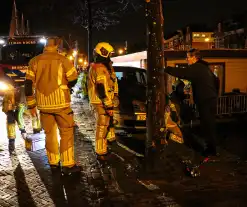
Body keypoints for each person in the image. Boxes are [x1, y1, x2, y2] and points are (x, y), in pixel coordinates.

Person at [24, 37, 81, 175]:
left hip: (43, 104)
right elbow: (73, 78)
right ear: (57, 46)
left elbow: (28, 84)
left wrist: (31, 104)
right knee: (66, 132)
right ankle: (68, 165)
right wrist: (67, 86)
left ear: (45, 46)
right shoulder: (63, 59)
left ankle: (53, 163)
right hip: (61, 103)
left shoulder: (34, 61)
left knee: (50, 134)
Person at [164, 48, 219, 157]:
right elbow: (216, 81)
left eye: (188, 57)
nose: (186, 59)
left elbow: (182, 73)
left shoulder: (197, 68)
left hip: (205, 100)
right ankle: (211, 147)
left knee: (207, 125)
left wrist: (166, 69)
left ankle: (211, 150)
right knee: (209, 124)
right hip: (211, 98)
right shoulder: (205, 68)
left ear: (195, 57)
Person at [87, 42, 119, 161]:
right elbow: (101, 88)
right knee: (102, 126)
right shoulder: (99, 68)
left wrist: (115, 95)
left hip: (104, 101)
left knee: (106, 124)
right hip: (100, 102)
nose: (110, 57)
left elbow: (112, 82)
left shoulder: (103, 67)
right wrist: (108, 104)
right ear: (104, 53)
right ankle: (101, 152)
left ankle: (108, 142)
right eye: (109, 54)